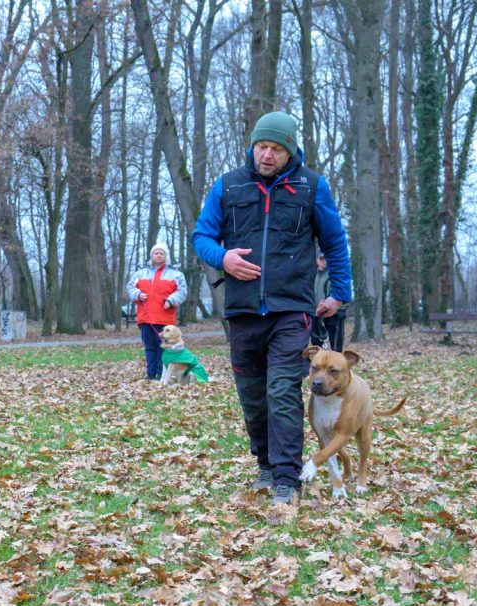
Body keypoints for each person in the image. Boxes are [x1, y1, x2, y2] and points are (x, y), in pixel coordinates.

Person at [191, 111, 352, 507]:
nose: (267, 155)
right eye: (262, 146)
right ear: (253, 146)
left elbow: (334, 242)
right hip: (242, 311)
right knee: (252, 394)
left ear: (290, 151)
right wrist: (223, 258)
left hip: (291, 309)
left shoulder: (312, 187)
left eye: (276, 149)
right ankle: (265, 462)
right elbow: (201, 236)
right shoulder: (228, 186)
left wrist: (339, 292)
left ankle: (286, 478)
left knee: (282, 390)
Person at [126, 243, 188, 380]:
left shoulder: (176, 274)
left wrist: (171, 300)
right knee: (149, 347)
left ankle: (162, 373)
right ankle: (150, 374)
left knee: (163, 348)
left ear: (166, 256)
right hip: (145, 318)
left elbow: (182, 291)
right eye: (156, 253)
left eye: (161, 253)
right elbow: (130, 287)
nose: (158, 255)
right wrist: (137, 294)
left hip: (165, 320)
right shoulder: (140, 273)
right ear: (151, 256)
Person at [310, 251, 347, 351]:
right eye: (321, 259)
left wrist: (341, 309)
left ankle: (336, 364)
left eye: (326, 258)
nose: (323, 261)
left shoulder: (335, 274)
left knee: (336, 344)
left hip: (333, 313)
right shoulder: (311, 274)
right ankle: (319, 364)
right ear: (317, 260)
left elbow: (343, 291)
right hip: (316, 314)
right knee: (316, 343)